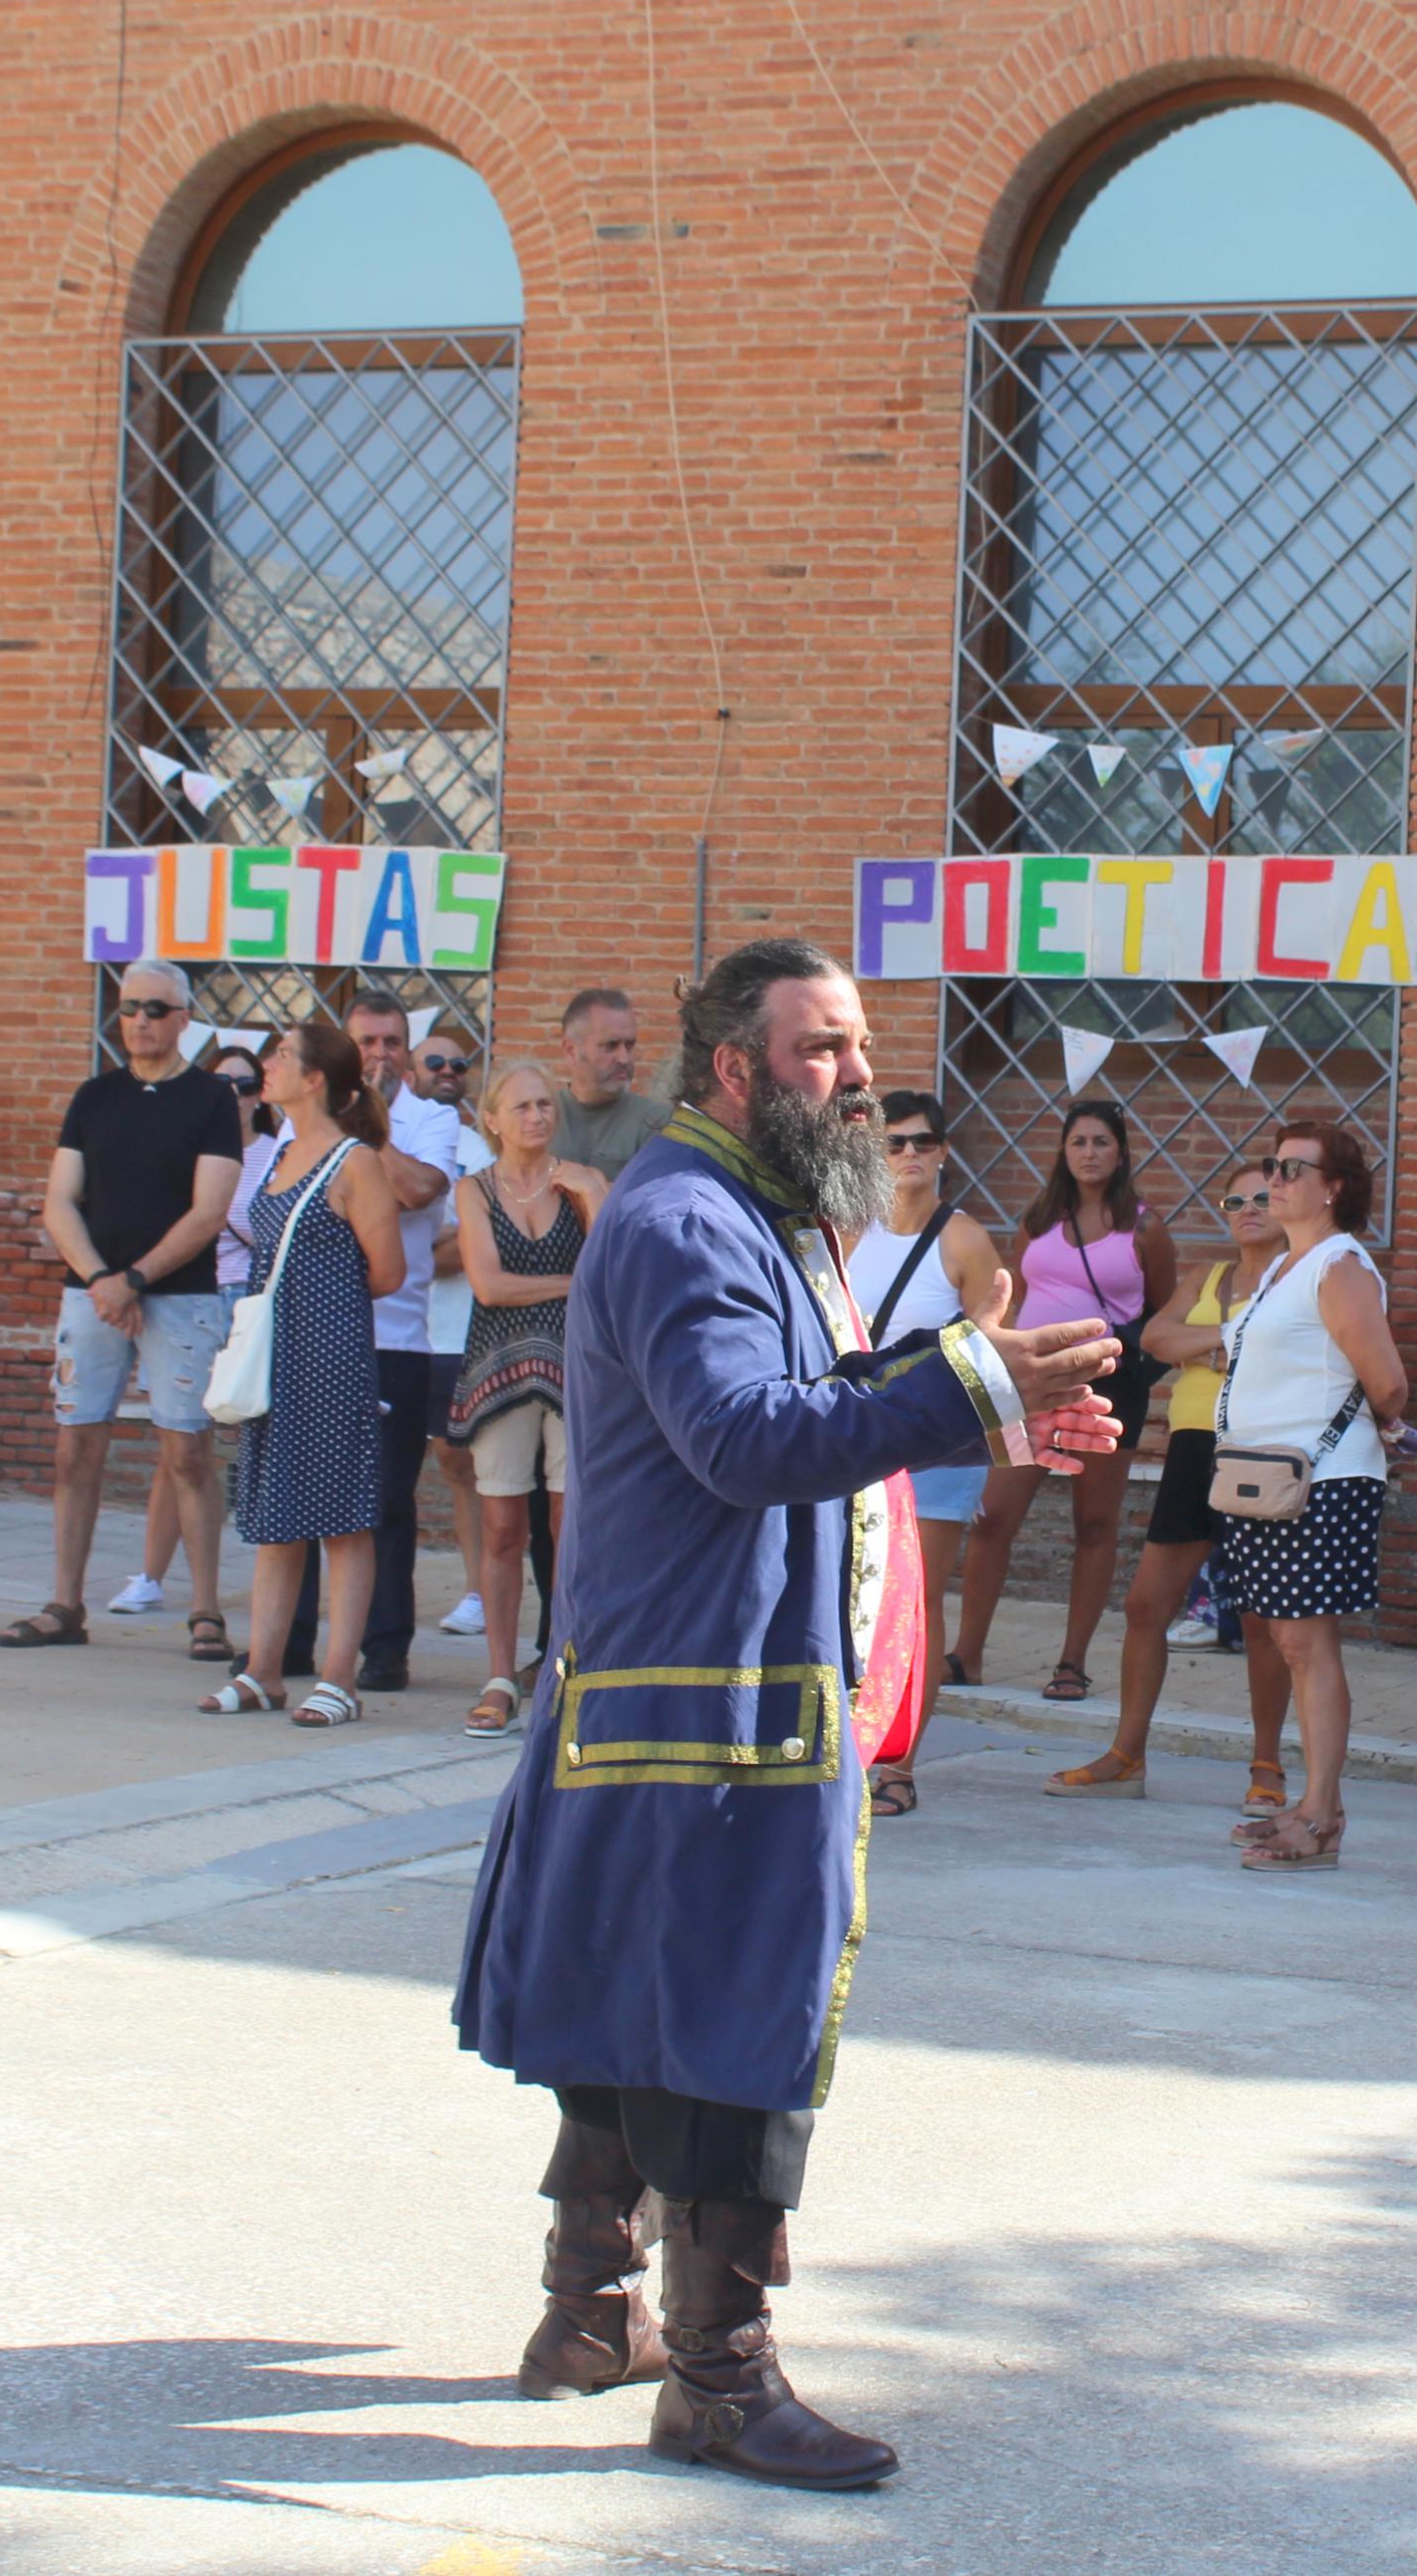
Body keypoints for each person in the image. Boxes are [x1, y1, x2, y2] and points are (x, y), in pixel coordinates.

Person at [453, 939, 1120, 2488]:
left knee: (638, 2008)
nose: (855, 1074)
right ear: (734, 1066)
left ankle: (587, 2311)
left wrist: (982, 1378)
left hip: (697, 1687)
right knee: (736, 2036)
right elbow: (747, 1436)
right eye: (821, 1047)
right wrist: (967, 1383)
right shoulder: (689, 1218)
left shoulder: (752, 1209)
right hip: (707, 1703)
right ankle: (720, 2377)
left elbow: (812, 1386)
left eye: (859, 1044)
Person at [1, 962, 244, 1659]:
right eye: (130, 1007)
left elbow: (209, 1211)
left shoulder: (209, 1100)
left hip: (181, 1294)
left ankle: (204, 1609)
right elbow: (59, 1201)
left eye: (156, 1009)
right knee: (74, 1445)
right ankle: (65, 1602)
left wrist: (136, 1278)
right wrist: (105, 1279)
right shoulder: (94, 1095)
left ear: (183, 1019)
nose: (140, 1019)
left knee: (187, 1450)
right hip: (93, 1294)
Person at [1047, 1162, 1298, 1804]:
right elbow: (1157, 1339)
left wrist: (1205, 1346)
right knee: (1144, 1606)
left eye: (1263, 1197)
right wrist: (1229, 1340)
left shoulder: (1305, 1277)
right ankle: (1127, 1753)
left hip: (1261, 1452)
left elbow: (1291, 1349)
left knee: (1261, 1616)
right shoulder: (1207, 1277)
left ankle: (1266, 1768)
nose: (1247, 1207)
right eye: (1235, 1198)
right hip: (1193, 1450)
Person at [1222, 1116, 1412, 1873]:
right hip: (1266, 1479)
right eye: (1273, 1164)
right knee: (1286, 1641)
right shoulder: (1281, 1266)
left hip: (1320, 1481)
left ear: (1334, 1187)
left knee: (1307, 1642)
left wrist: (1376, 1423)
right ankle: (1310, 1805)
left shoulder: (1338, 1264)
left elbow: (1388, 1380)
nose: (1277, 1179)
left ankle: (1323, 1811)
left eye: (1296, 1168)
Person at [205, 1019, 405, 1725]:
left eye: (282, 1055)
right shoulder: (280, 1152)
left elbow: (388, 1271)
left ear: (315, 1076)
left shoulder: (355, 1161)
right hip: (274, 1358)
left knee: (342, 1520)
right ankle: (263, 1669)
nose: (269, 1064)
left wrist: (323, 1301)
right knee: (274, 1514)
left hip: (329, 1357)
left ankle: (338, 1677)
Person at [955, 1098, 1177, 1702]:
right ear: (1064, 1151)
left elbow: (1165, 1316)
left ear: (1122, 1152)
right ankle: (967, 1654)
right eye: (1079, 1142)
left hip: (1106, 1388)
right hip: (1030, 1385)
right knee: (994, 1516)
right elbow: (1022, 1298)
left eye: (1101, 1142)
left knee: (1095, 1524)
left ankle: (1071, 1663)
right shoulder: (1038, 1216)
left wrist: (1128, 1369)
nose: (1089, 1153)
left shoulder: (1146, 1228)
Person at [843, 1090, 1006, 1815]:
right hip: (857, 1432)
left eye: (922, 1142)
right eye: (894, 1142)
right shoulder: (849, 1231)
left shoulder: (962, 1238)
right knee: (852, 1594)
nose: (909, 1154)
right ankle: (849, 1744)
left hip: (940, 1442)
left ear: (942, 1151)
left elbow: (991, 1342)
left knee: (916, 1599)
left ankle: (899, 1762)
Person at [446, 1058, 606, 1737]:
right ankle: (499, 1674)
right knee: (504, 1528)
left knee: (573, 1530)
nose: (538, 1117)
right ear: (491, 1119)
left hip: (577, 1373)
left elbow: (617, 1270)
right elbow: (487, 1285)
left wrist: (593, 1199)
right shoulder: (474, 1190)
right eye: (522, 1107)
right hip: (501, 1371)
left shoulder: (582, 1181)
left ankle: (569, 1667)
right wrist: (573, 1283)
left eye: (545, 1105)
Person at [115, 1043, 269, 1618]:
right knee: (180, 1443)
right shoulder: (188, 1146)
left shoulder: (276, 1155)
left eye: (246, 1084)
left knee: (247, 1442)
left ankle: (264, 1577)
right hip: (197, 1294)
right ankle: (150, 1575)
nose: (234, 1095)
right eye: (221, 1083)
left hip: (250, 1305)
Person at [344, 989, 464, 1698]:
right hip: (313, 1336)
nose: (379, 1056)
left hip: (396, 1338)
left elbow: (420, 1190)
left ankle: (385, 1648)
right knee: (305, 1493)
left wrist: (366, 1130)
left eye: (391, 1043)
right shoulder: (308, 1119)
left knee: (387, 1501)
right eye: (366, 1043)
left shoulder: (429, 1120)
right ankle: (293, 1640)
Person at [416, 1028, 510, 1652]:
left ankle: (481, 1590)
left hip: (461, 1330)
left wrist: (393, 1245)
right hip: (404, 1331)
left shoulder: (475, 1150)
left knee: (465, 1462)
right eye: (436, 1062)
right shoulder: (395, 1143)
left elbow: (473, 1250)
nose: (450, 1071)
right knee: (434, 1463)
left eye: (460, 1062)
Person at [552, 984, 674, 1174]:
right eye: (610, 1045)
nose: (624, 1059)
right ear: (571, 1051)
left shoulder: (655, 1121)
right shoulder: (541, 1117)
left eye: (629, 1045)